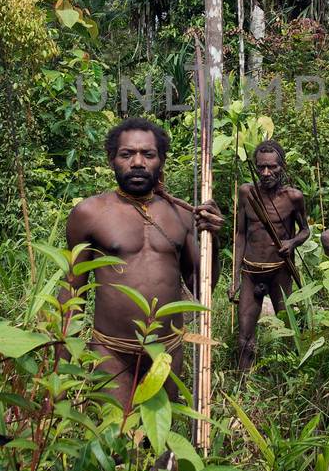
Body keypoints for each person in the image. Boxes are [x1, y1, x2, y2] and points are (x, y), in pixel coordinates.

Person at [61, 117, 223, 409]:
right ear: (112, 159)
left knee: (159, 445)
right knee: (117, 443)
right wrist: (60, 367)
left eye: (148, 154)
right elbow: (73, 293)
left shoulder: (181, 215)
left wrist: (214, 239)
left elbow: (202, 289)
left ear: (161, 160)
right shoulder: (89, 213)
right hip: (112, 351)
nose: (137, 162)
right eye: (127, 154)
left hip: (167, 351)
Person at [231, 140, 310, 372]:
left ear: (282, 166)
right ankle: (243, 385)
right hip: (250, 272)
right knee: (244, 337)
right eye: (261, 167)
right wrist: (235, 277)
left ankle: (289, 381)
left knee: (288, 332)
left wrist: (292, 242)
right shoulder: (247, 193)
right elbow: (240, 235)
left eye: (272, 167)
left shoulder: (293, 197)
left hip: (280, 272)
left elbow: (305, 230)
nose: (266, 173)